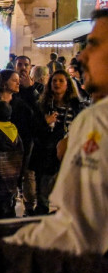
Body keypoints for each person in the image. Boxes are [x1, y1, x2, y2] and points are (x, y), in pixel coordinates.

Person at [8, 10, 108, 255]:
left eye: (93, 44)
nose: (82, 56)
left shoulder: (97, 120)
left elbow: (79, 228)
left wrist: (11, 249)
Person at [32, 70, 84, 215]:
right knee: (43, 192)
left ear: (68, 84)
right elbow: (34, 129)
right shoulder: (42, 105)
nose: (57, 83)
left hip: (68, 152)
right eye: (54, 81)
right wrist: (45, 122)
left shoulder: (75, 106)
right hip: (45, 152)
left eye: (61, 81)